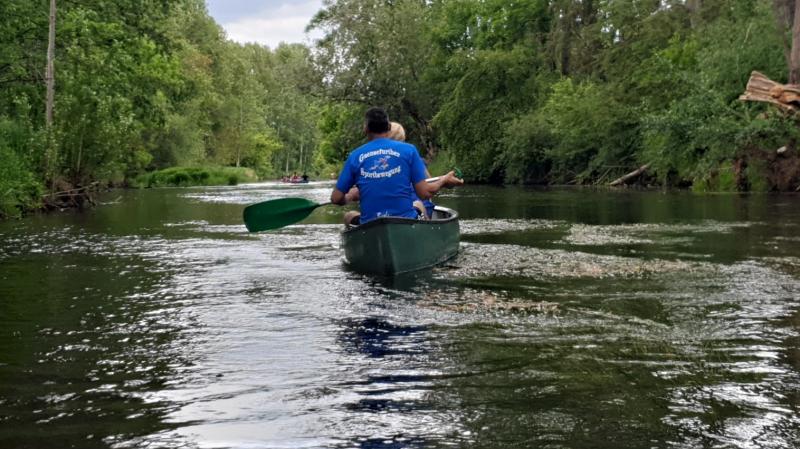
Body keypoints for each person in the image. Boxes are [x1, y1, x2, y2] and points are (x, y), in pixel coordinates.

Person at [331, 107, 462, 225]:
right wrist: (444, 180)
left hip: (370, 224)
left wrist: (349, 197)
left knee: (349, 216)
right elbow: (424, 193)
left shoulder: (354, 156)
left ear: (365, 129)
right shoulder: (409, 150)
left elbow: (336, 198)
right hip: (404, 221)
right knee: (418, 203)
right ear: (388, 127)